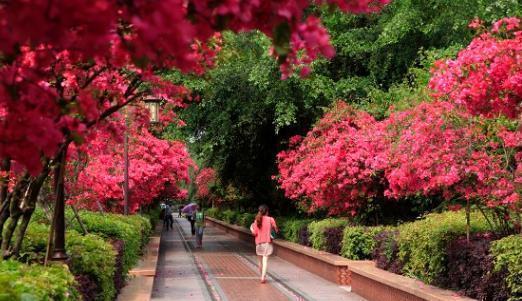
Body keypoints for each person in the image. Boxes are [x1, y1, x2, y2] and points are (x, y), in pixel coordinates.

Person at [250, 204, 279, 283]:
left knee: (259, 261)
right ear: (267, 212)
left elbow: (254, 233)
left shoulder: (257, 220)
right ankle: (263, 277)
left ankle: (261, 275)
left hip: (258, 243)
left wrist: (251, 229)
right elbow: (276, 230)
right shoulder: (270, 219)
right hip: (267, 242)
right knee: (265, 260)